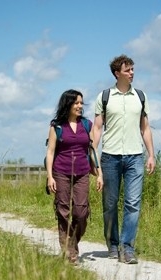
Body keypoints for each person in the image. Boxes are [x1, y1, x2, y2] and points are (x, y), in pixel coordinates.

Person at [92, 54, 155, 264]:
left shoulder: (141, 96)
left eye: (133, 70)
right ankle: (112, 243)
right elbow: (98, 128)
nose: (132, 73)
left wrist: (151, 154)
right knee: (110, 203)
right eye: (128, 70)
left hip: (135, 157)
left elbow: (145, 128)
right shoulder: (104, 97)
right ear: (117, 73)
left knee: (133, 203)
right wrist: (92, 155)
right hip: (110, 156)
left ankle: (127, 248)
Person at [46, 89, 103, 265]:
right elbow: (50, 152)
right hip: (61, 172)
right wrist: (50, 177)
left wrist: (99, 173)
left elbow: (92, 150)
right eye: (76, 103)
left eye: (81, 103)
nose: (80, 106)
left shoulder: (86, 125)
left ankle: (71, 243)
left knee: (80, 212)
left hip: (82, 172)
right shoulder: (57, 126)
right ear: (68, 104)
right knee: (63, 211)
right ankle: (70, 253)